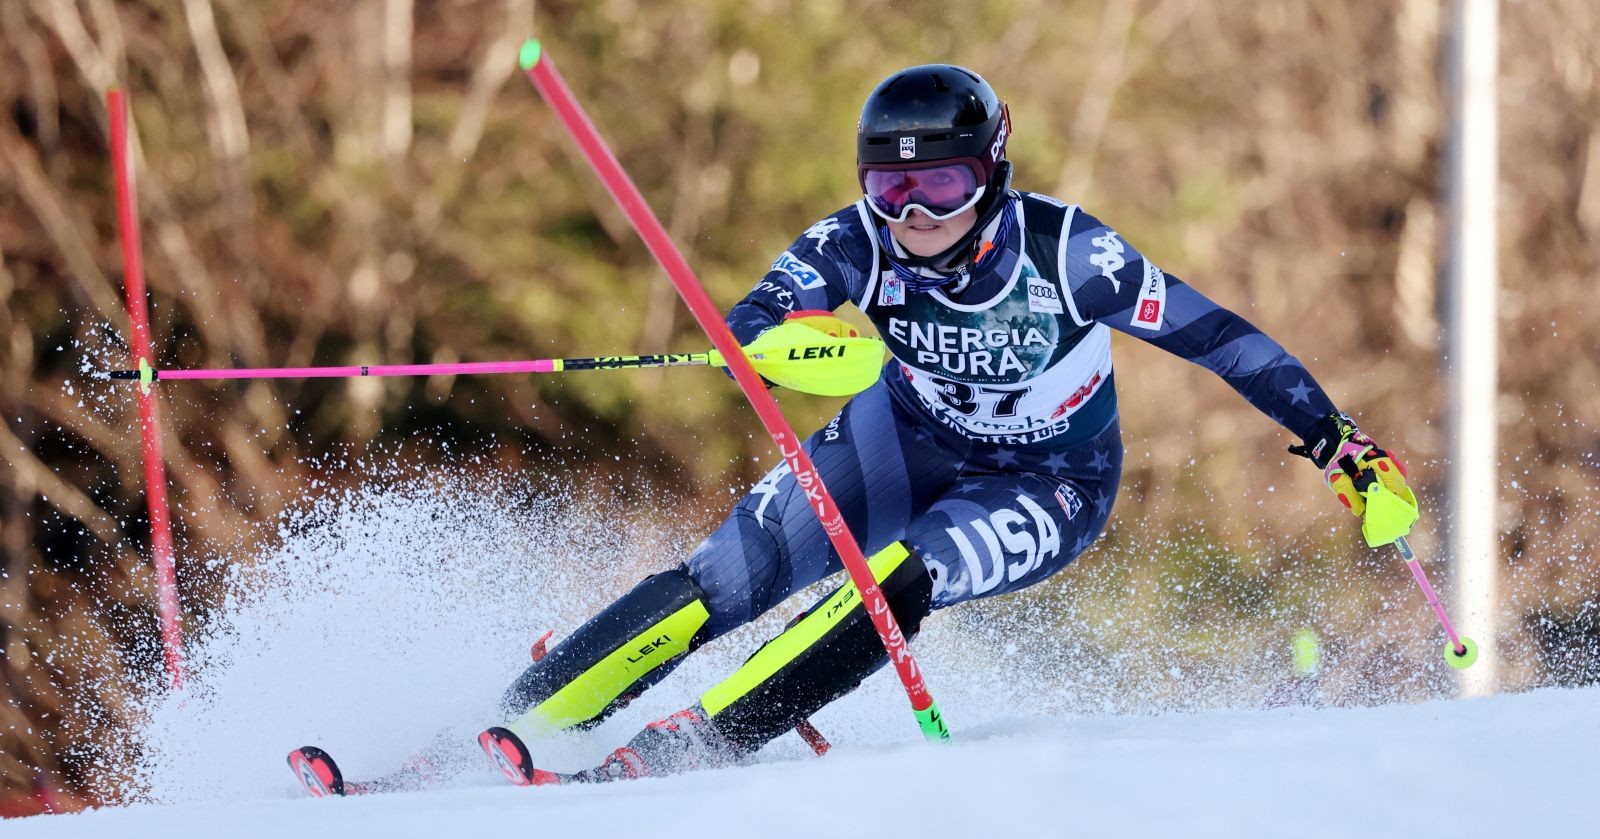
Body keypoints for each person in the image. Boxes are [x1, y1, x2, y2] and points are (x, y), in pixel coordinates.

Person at [478, 64, 1418, 785]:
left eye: (944, 187)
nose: (916, 213)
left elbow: (1222, 339)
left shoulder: (1074, 255)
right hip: (902, 433)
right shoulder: (853, 240)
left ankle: (700, 742)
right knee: (732, 573)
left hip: (1047, 481)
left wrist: (1340, 445)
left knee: (900, 574)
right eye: (892, 190)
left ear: (994, 173)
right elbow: (751, 318)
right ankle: (526, 714)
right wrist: (788, 342)